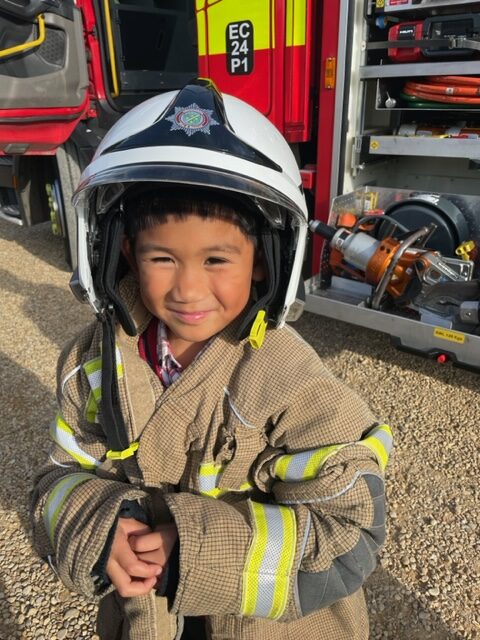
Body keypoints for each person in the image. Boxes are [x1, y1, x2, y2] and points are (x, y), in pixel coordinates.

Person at [31, 79, 393, 640]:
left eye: (218, 258)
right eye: (163, 257)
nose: (188, 290)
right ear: (123, 250)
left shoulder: (283, 376)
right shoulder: (91, 364)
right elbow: (57, 478)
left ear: (264, 261)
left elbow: (351, 526)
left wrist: (195, 552)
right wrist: (98, 530)